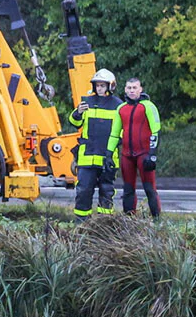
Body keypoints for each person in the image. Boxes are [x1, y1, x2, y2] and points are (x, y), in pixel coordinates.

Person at [69, 68, 123, 219]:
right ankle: (81, 223)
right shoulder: (87, 102)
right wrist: (78, 112)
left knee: (107, 192)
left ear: (110, 86)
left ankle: (104, 225)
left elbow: (123, 132)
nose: (99, 88)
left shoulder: (118, 105)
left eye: (102, 85)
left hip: (108, 158)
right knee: (83, 191)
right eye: (97, 85)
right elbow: (74, 122)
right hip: (87, 157)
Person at [119, 77, 162, 219]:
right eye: (129, 88)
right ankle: (129, 221)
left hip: (144, 154)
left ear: (140, 89)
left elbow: (156, 130)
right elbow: (114, 134)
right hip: (126, 155)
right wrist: (108, 153)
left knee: (149, 188)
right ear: (125, 89)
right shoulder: (121, 108)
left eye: (134, 88)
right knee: (128, 190)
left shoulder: (148, 106)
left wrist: (153, 154)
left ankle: (157, 220)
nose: (132, 90)